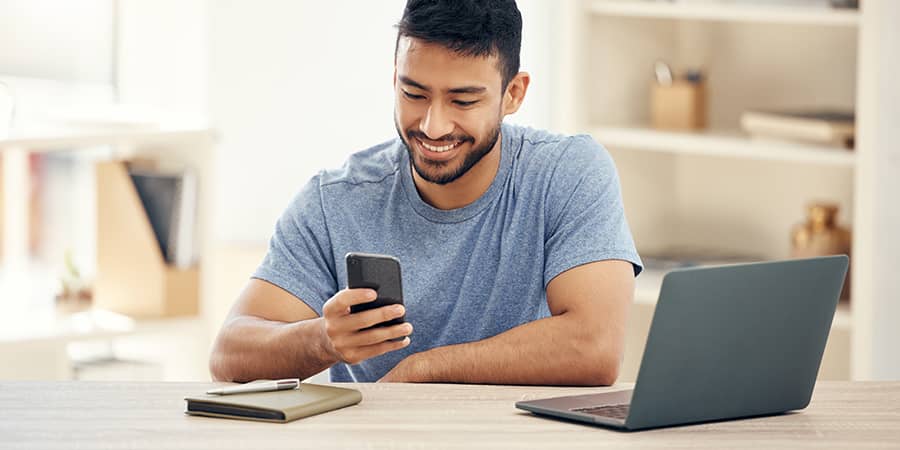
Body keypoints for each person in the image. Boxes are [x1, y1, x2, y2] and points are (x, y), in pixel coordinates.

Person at [209, 0, 642, 385]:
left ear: (513, 93)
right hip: (377, 437)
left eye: (463, 101)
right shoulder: (336, 199)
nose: (433, 126)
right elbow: (229, 355)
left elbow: (594, 347)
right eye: (413, 93)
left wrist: (423, 369)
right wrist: (322, 339)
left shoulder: (567, 173)